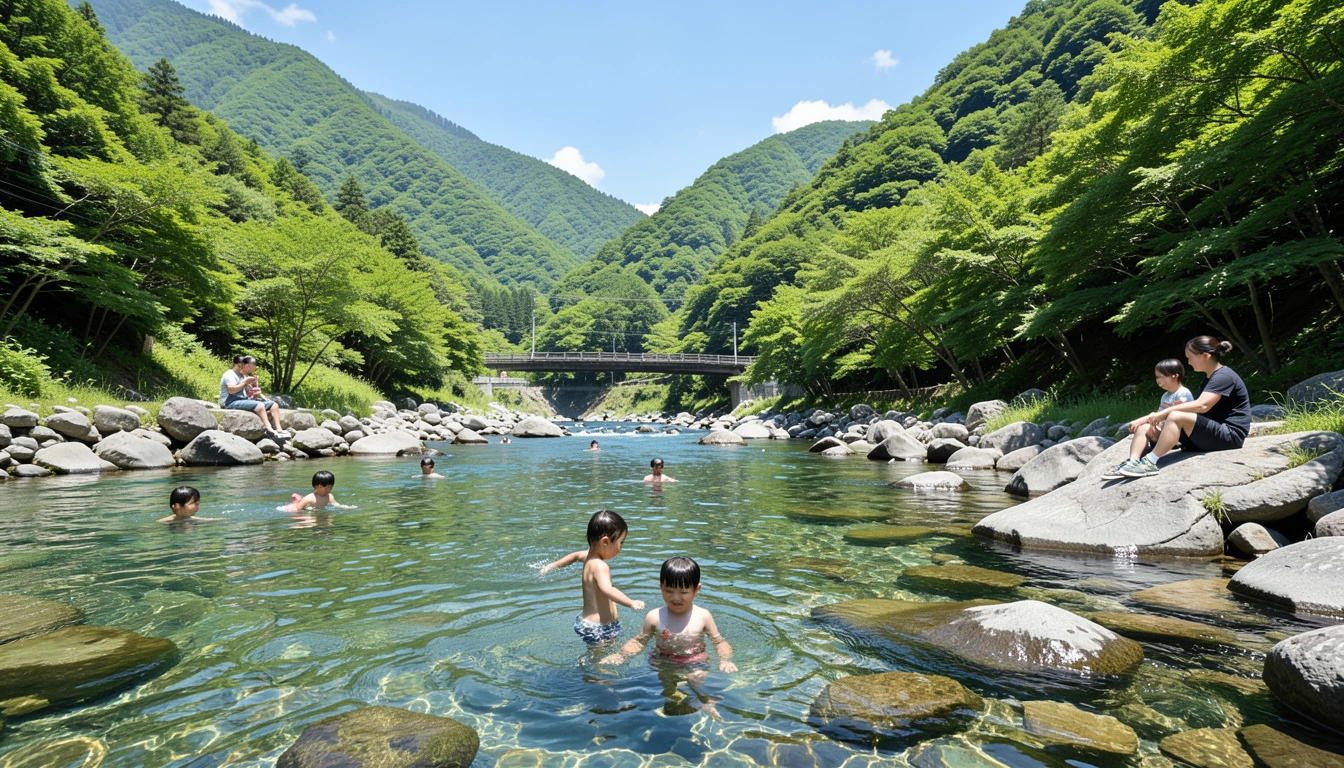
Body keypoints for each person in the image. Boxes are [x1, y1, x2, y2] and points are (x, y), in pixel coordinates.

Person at [1104, 335, 1252, 479]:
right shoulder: (1208, 380)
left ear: (1205, 356)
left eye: (1190, 357)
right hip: (1208, 436)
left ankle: (1149, 462)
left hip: (1229, 436)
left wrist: (1167, 412)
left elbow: (1203, 405)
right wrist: (1148, 419)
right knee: (1146, 428)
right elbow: (1198, 410)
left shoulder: (1224, 376)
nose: (1189, 362)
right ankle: (1133, 462)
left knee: (1175, 415)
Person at [601, 557, 736, 672]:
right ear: (661, 587)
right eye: (669, 591)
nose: (676, 598)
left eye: (683, 592)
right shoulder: (654, 617)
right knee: (666, 688)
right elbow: (639, 641)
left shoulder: (703, 616)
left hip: (695, 660)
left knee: (697, 679)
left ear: (696, 590)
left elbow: (719, 642)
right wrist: (621, 655)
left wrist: (725, 660)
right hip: (663, 660)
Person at [541, 510, 645, 645]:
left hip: (588, 623)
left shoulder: (588, 557)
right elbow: (608, 589)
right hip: (598, 628)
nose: (621, 548)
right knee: (599, 656)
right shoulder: (600, 566)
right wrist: (631, 602)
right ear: (605, 541)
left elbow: (574, 556)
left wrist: (552, 566)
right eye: (621, 542)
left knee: (602, 652)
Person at [220, 355, 286, 441]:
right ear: (239, 365)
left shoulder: (243, 376)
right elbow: (231, 390)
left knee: (274, 405)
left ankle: (279, 429)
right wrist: (244, 383)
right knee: (260, 406)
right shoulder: (230, 374)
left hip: (243, 400)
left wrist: (254, 385)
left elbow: (252, 393)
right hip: (230, 402)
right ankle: (269, 429)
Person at [290, 470, 357, 511]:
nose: (330, 490)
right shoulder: (309, 499)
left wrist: (348, 507)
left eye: (331, 487)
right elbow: (298, 509)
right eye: (328, 488)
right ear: (319, 487)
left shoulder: (329, 497)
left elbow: (336, 505)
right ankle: (297, 500)